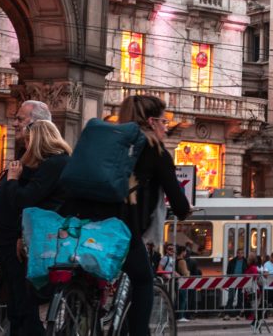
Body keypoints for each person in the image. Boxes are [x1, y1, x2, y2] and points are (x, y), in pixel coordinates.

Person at [65, 95, 192, 336]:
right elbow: (177, 199)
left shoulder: (107, 143)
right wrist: (184, 211)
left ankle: (76, 316)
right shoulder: (155, 150)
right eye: (164, 122)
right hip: (123, 229)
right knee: (143, 280)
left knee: (88, 278)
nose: (166, 128)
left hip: (83, 221)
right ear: (152, 121)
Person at [0, 119, 71, 336]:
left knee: (27, 302)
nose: (26, 147)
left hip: (41, 239)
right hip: (37, 236)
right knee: (24, 301)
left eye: (29, 142)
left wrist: (12, 180)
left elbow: (26, 199)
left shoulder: (53, 165)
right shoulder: (58, 163)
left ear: (38, 140)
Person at [0, 100, 51, 336]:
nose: (15, 124)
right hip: (7, 244)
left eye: (20, 119)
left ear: (37, 124)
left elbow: (29, 201)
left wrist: (22, 235)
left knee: (24, 309)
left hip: (18, 246)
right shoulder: (26, 155)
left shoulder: (40, 159)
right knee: (16, 307)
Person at [225, 248, 248, 317]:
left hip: (242, 281)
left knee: (240, 297)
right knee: (231, 296)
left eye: (242, 253)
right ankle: (228, 313)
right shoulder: (232, 261)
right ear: (237, 254)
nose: (240, 254)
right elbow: (228, 271)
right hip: (233, 280)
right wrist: (230, 277)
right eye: (239, 253)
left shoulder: (245, 261)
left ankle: (238, 313)